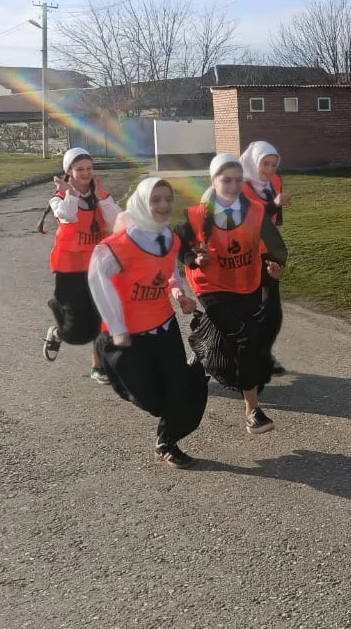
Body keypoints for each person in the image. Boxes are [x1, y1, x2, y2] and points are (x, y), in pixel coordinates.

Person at [89, 177, 208, 469]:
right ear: (143, 203)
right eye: (156, 199)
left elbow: (170, 273)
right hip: (130, 336)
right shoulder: (119, 246)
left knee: (180, 390)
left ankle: (167, 442)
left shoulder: (170, 239)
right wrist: (117, 327)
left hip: (164, 327)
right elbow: (98, 280)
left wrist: (179, 294)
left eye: (168, 199)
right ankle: (115, 373)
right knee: (148, 396)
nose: (164, 205)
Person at [176, 153, 287, 435]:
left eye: (238, 180)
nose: (233, 186)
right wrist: (193, 259)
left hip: (246, 283)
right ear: (213, 181)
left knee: (238, 335)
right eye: (226, 180)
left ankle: (202, 347)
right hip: (210, 286)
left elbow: (274, 245)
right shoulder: (195, 215)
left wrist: (275, 266)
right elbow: (179, 246)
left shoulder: (256, 210)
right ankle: (252, 411)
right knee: (246, 337)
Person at [42, 147, 121, 383]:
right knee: (77, 332)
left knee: (101, 317)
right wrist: (71, 194)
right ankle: (58, 331)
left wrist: (101, 197)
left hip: (97, 265)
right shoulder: (59, 198)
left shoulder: (99, 195)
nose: (86, 174)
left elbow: (117, 221)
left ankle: (99, 366)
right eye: (79, 170)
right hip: (70, 269)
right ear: (69, 172)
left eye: (89, 168)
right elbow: (68, 216)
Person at [240, 141, 290, 376]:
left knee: (272, 308)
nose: (269, 170)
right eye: (265, 164)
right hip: (245, 253)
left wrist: (278, 248)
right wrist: (273, 204)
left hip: (269, 250)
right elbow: (250, 216)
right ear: (253, 161)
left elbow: (276, 218)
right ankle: (239, 352)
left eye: (273, 164)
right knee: (248, 307)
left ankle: (265, 353)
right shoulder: (239, 184)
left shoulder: (275, 181)